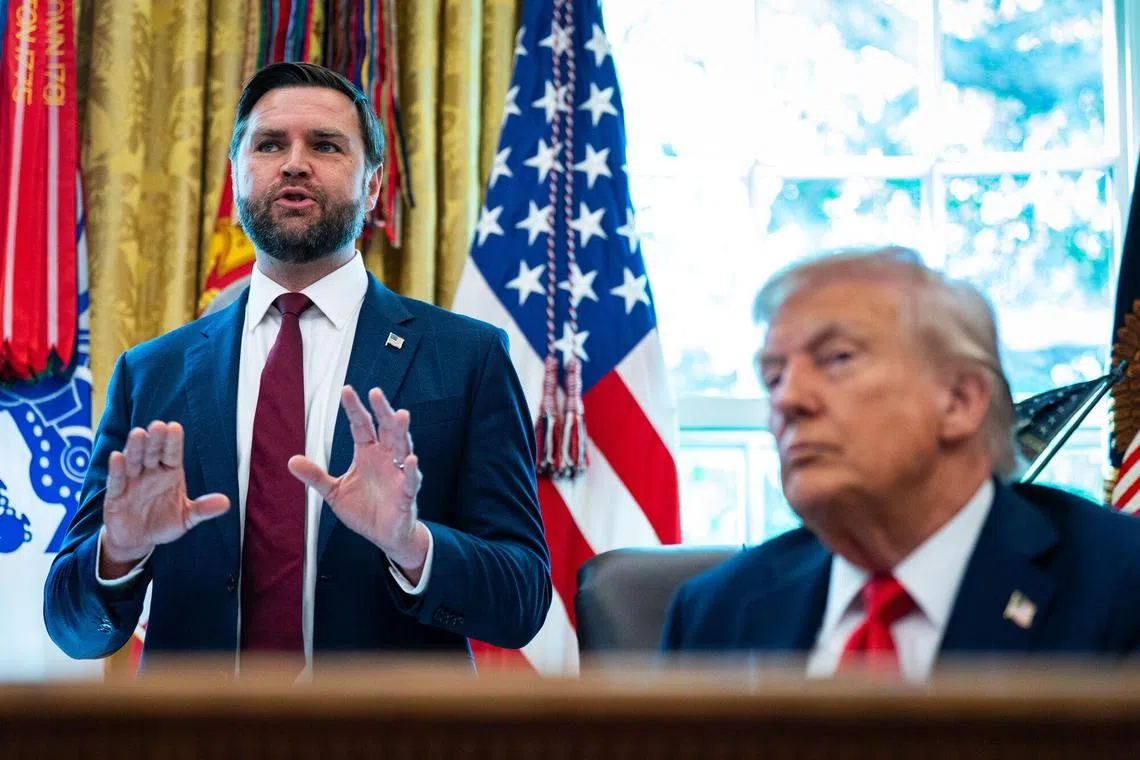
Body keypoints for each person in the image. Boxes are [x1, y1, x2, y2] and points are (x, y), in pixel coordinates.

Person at [44, 62, 551, 669]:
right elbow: (76, 632)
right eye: (269, 144)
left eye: (326, 145)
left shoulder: (467, 357)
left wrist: (411, 546)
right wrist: (119, 553)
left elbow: (522, 600)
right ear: (236, 177)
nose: (294, 163)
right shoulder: (152, 373)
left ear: (372, 186)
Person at [661, 247, 1140, 679]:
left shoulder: (1119, 585)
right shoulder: (715, 614)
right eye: (774, 375)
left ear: (959, 400)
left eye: (837, 359)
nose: (788, 399)